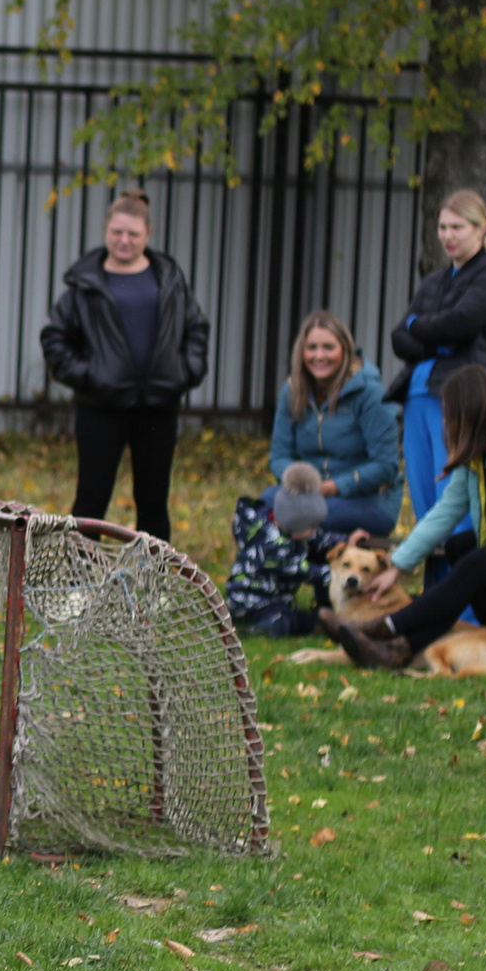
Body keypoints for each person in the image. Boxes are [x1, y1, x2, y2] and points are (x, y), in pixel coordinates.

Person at [323, 364, 486, 669]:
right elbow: (442, 515)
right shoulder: (480, 454)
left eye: (448, 411)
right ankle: (406, 647)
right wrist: (397, 566)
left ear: (468, 410)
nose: (445, 420)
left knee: (478, 563)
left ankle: (388, 628)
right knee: (462, 547)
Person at [41, 190, 211, 543]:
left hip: (158, 408)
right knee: (91, 499)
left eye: (133, 234)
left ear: (148, 234)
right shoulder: (85, 284)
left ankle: (153, 584)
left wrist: (184, 372)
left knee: (153, 502)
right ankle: (79, 587)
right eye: (117, 232)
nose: (124, 240)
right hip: (100, 408)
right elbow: (55, 339)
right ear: (106, 230)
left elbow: (197, 328)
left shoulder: (169, 279)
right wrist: (89, 376)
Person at [387, 189, 486, 544]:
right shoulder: (434, 281)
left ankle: (468, 598)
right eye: (442, 227)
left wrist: (422, 327)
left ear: (481, 228)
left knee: (455, 502)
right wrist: (433, 334)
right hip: (418, 393)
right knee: (425, 503)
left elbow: (461, 323)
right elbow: (400, 337)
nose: (447, 235)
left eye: (457, 227)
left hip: (461, 399)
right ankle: (439, 597)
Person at [268, 311, 402, 537]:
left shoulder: (369, 392)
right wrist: (302, 483)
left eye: (328, 347)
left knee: (309, 516)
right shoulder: (292, 391)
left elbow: (385, 465)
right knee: (258, 508)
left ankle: (311, 569)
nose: (319, 355)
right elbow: (280, 457)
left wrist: (334, 487)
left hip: (368, 499)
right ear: (301, 352)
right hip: (306, 495)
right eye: (312, 347)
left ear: (345, 350)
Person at [225, 463, 351, 637]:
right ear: (295, 524)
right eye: (311, 527)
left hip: (273, 597)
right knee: (286, 620)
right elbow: (308, 572)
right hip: (251, 601)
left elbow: (320, 539)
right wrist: (344, 575)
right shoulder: (274, 547)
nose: (314, 532)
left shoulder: (292, 531)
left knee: (296, 616)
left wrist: (347, 541)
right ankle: (257, 630)